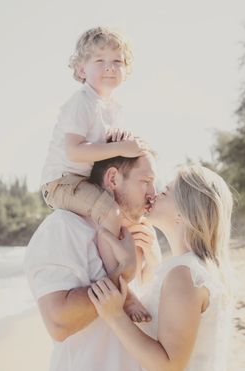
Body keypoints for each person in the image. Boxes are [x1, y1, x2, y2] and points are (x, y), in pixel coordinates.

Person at [24, 149, 160, 371]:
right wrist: (124, 272)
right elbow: (58, 322)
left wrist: (153, 264)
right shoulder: (63, 228)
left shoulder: (135, 234)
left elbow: (147, 321)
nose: (153, 193)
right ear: (113, 178)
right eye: (146, 181)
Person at [89, 165, 234, 371]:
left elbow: (169, 365)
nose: (153, 195)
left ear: (183, 213)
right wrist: (153, 262)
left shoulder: (184, 274)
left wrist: (115, 317)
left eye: (165, 192)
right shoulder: (193, 269)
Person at [41, 26, 146, 276]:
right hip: (62, 182)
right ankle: (115, 279)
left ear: (126, 69)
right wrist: (120, 147)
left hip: (88, 180)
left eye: (117, 61)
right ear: (81, 69)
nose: (109, 67)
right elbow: (75, 152)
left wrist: (124, 142)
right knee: (111, 212)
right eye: (99, 60)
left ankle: (142, 267)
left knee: (130, 214)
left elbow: (110, 148)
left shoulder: (115, 109)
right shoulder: (82, 102)